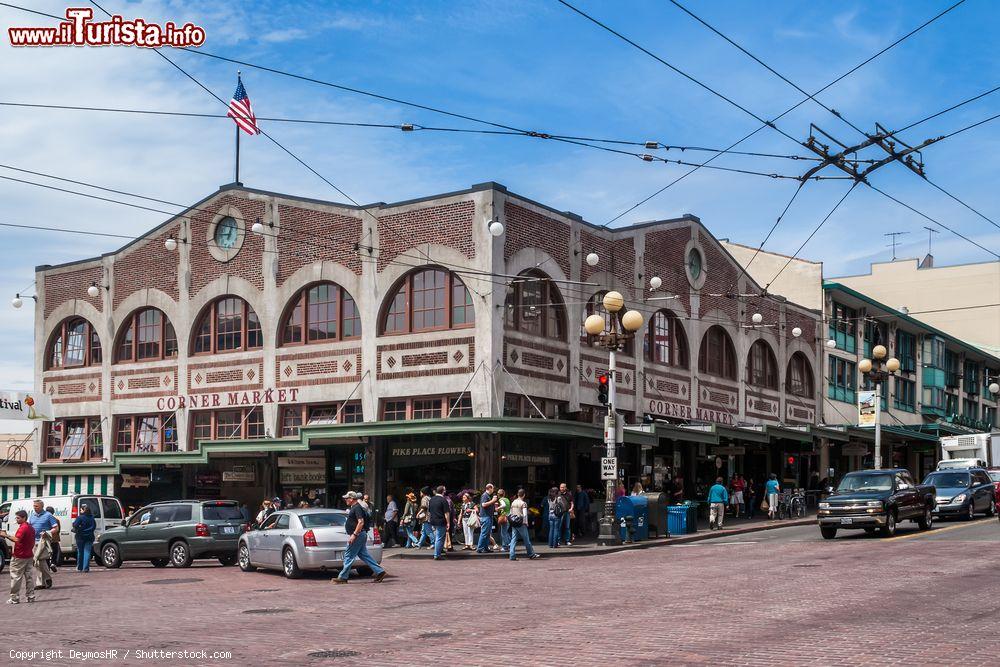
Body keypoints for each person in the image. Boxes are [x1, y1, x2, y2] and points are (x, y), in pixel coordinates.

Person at [333, 492, 386, 584]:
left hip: (358, 535)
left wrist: (354, 534)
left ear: (351, 499)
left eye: (347, 498)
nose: (345, 500)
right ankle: (380, 572)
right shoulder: (354, 508)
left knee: (348, 555)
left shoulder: (357, 508)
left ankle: (343, 577)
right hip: (360, 535)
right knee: (364, 555)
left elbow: (360, 522)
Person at [3, 510, 35, 603]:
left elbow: (16, 539)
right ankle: (31, 596)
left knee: (16, 577)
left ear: (24, 518)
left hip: (19, 556)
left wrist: (6, 535)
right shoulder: (30, 527)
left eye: (18, 518)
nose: (16, 520)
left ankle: (14, 598)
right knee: (29, 577)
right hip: (28, 555)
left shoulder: (23, 527)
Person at [27, 500, 58, 589]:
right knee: (39, 561)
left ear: (41, 506)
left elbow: (56, 528)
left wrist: (47, 532)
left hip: (43, 541)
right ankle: (46, 579)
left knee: (39, 559)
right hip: (33, 541)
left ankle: (40, 583)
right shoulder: (32, 516)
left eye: (36, 506)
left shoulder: (48, 515)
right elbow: (29, 526)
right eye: (34, 506)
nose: (34, 507)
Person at [508, 489, 539, 560]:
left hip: (514, 522)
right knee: (526, 539)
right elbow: (525, 514)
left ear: (518, 494)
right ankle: (531, 554)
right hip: (520, 523)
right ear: (524, 495)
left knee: (513, 539)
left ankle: (512, 555)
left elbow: (510, 512)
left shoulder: (513, 502)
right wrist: (526, 522)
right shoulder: (523, 503)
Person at [71, 504, 96, 573]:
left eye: (81, 509)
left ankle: (80, 567)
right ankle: (86, 568)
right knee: (87, 551)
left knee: (80, 552)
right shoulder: (92, 518)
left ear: (83, 510)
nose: (80, 510)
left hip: (80, 536)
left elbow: (75, 525)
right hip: (90, 536)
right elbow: (94, 527)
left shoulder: (80, 517)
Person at [428, 486, 450, 560]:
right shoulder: (443, 500)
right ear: (443, 491)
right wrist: (448, 522)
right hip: (441, 521)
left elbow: (429, 512)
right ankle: (437, 555)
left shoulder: (431, 500)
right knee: (439, 538)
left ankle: (439, 551)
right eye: (445, 490)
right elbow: (446, 513)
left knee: (437, 537)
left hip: (433, 521)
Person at [476, 483, 497, 554]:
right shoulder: (485, 495)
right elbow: (483, 504)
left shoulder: (487, 495)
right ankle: (480, 548)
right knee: (484, 533)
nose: (493, 490)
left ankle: (485, 548)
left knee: (487, 533)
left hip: (488, 516)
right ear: (489, 488)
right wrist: (493, 501)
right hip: (486, 517)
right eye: (493, 488)